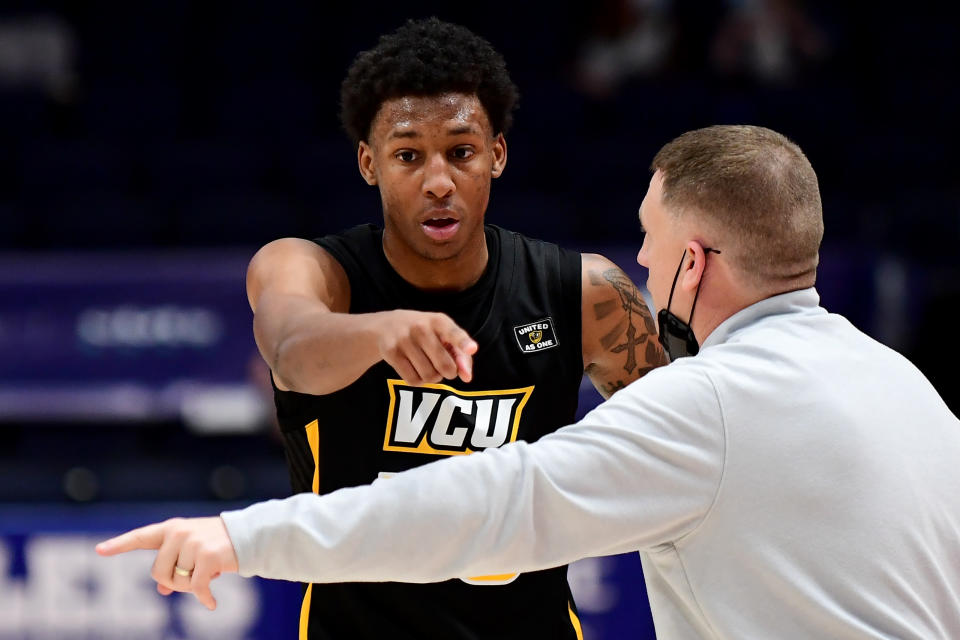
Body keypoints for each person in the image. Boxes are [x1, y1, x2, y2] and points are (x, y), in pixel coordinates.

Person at [98, 125, 960, 639]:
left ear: (693, 264)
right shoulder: (906, 387)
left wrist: (243, 538)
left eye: (651, 239)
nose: (644, 260)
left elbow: (488, 505)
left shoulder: (708, 404)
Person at [100, 17, 664, 640]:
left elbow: (676, 448)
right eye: (407, 156)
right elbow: (291, 351)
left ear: (497, 155)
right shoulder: (308, 268)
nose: (439, 181)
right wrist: (379, 332)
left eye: (461, 151)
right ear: (369, 163)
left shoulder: (582, 292)